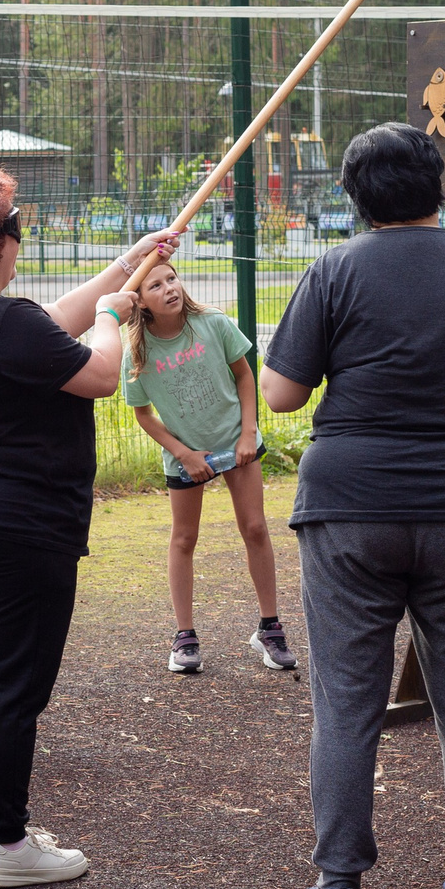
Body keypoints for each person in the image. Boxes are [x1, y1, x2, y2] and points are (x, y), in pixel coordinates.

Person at [261, 122, 445, 889]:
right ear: (439, 182)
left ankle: (339, 886)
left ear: (354, 197)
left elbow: (281, 395)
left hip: (347, 505)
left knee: (346, 700)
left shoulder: (334, 269)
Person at [0, 167, 170, 889]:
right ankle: (7, 841)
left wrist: (130, 261)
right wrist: (117, 317)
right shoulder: (4, 320)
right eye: (17, 226)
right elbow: (96, 372)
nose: (20, 238)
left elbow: (51, 321)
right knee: (12, 687)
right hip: (20, 527)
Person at [120, 257, 295, 674]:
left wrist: (247, 434)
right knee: (184, 538)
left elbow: (244, 377)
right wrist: (184, 454)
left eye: (172, 278)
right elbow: (143, 415)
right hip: (187, 457)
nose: (170, 289)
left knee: (255, 527)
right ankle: (185, 637)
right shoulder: (137, 353)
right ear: (140, 302)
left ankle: (269, 628)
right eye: (156, 286)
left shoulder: (214, 323)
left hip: (237, 444)